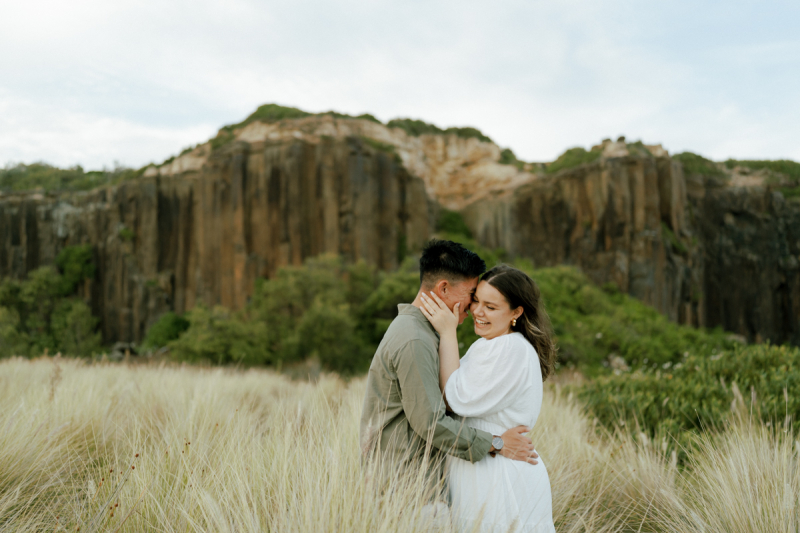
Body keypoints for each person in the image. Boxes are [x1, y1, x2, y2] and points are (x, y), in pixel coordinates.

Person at [359, 240, 539, 508]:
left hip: (416, 485)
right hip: (408, 490)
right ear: (443, 288)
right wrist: (498, 443)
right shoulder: (415, 339)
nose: (472, 307)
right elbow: (431, 423)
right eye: (472, 295)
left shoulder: (423, 333)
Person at [419, 264, 557, 533]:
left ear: (516, 312)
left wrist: (448, 333)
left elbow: (455, 400)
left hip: (499, 478)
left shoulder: (511, 348)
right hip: (484, 468)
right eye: (476, 301)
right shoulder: (489, 344)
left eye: (491, 307)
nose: (477, 312)